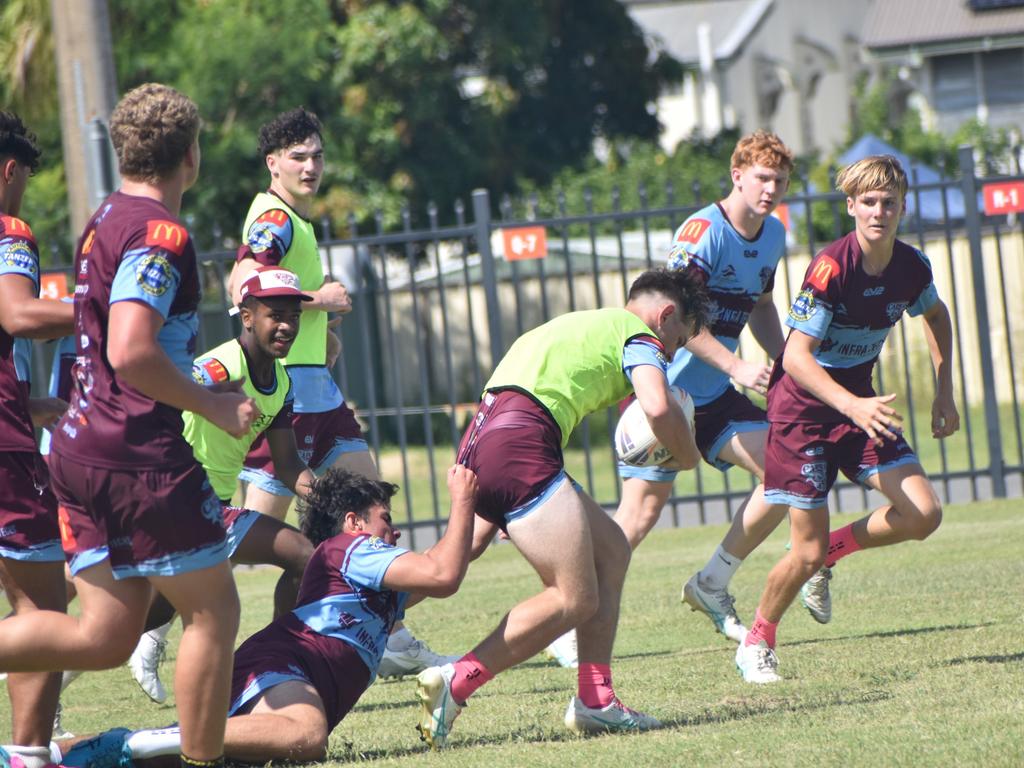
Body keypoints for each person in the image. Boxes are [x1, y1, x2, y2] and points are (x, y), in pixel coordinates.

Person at [0, 84, 259, 768]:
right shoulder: (161, 233)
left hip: (78, 450)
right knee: (214, 612)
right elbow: (129, 348)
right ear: (191, 157)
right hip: (135, 453)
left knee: (107, 637)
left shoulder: (102, 219)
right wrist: (213, 405)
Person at [415, 268, 708, 748]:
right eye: (677, 341)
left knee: (609, 549)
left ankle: (595, 701)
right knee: (575, 597)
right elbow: (657, 407)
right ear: (666, 315)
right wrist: (688, 454)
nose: (672, 354)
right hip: (521, 444)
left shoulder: (581, 324)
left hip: (485, 436)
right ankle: (456, 681)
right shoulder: (639, 334)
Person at [227, 106, 452, 679]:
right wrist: (318, 301)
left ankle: (392, 636)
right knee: (243, 547)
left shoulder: (297, 219)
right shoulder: (273, 218)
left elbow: (278, 297)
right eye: (298, 156)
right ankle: (146, 629)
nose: (311, 165)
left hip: (316, 390)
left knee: (369, 500)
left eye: (317, 155)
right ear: (273, 163)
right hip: (288, 399)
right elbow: (243, 285)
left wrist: (318, 333)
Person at [53, 465, 478, 767]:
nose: (395, 532)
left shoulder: (377, 591)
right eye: (386, 519)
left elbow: (450, 559)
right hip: (283, 665)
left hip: (285, 672)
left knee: (161, 757)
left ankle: (51, 755)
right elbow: (441, 575)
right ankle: (140, 740)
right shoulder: (352, 549)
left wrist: (490, 508)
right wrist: (461, 499)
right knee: (306, 734)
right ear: (353, 522)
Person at [735, 155, 958, 683]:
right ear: (852, 206)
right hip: (803, 415)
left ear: (903, 207)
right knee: (803, 551)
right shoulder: (831, 267)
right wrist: (852, 404)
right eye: (869, 202)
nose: (879, 211)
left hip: (859, 405)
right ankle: (757, 640)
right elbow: (795, 358)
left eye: (889, 202)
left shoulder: (912, 266)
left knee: (923, 514)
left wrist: (944, 392)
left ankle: (832, 551)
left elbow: (937, 315)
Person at [611, 130, 794, 647]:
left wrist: (783, 361)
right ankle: (574, 620)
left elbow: (760, 306)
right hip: (665, 392)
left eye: (779, 179)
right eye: (761, 177)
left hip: (713, 395)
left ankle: (712, 583)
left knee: (785, 472)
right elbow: (675, 318)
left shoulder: (774, 235)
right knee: (639, 517)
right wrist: (737, 366)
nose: (770, 188)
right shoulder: (702, 231)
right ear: (737, 175)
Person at [0, 110, 75, 768]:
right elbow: (19, 314)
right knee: (48, 608)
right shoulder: (8, 227)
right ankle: (26, 755)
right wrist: (107, 307)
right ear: (9, 171)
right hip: (3, 451)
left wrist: (27, 401)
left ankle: (28, 752)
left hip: (11, 420)